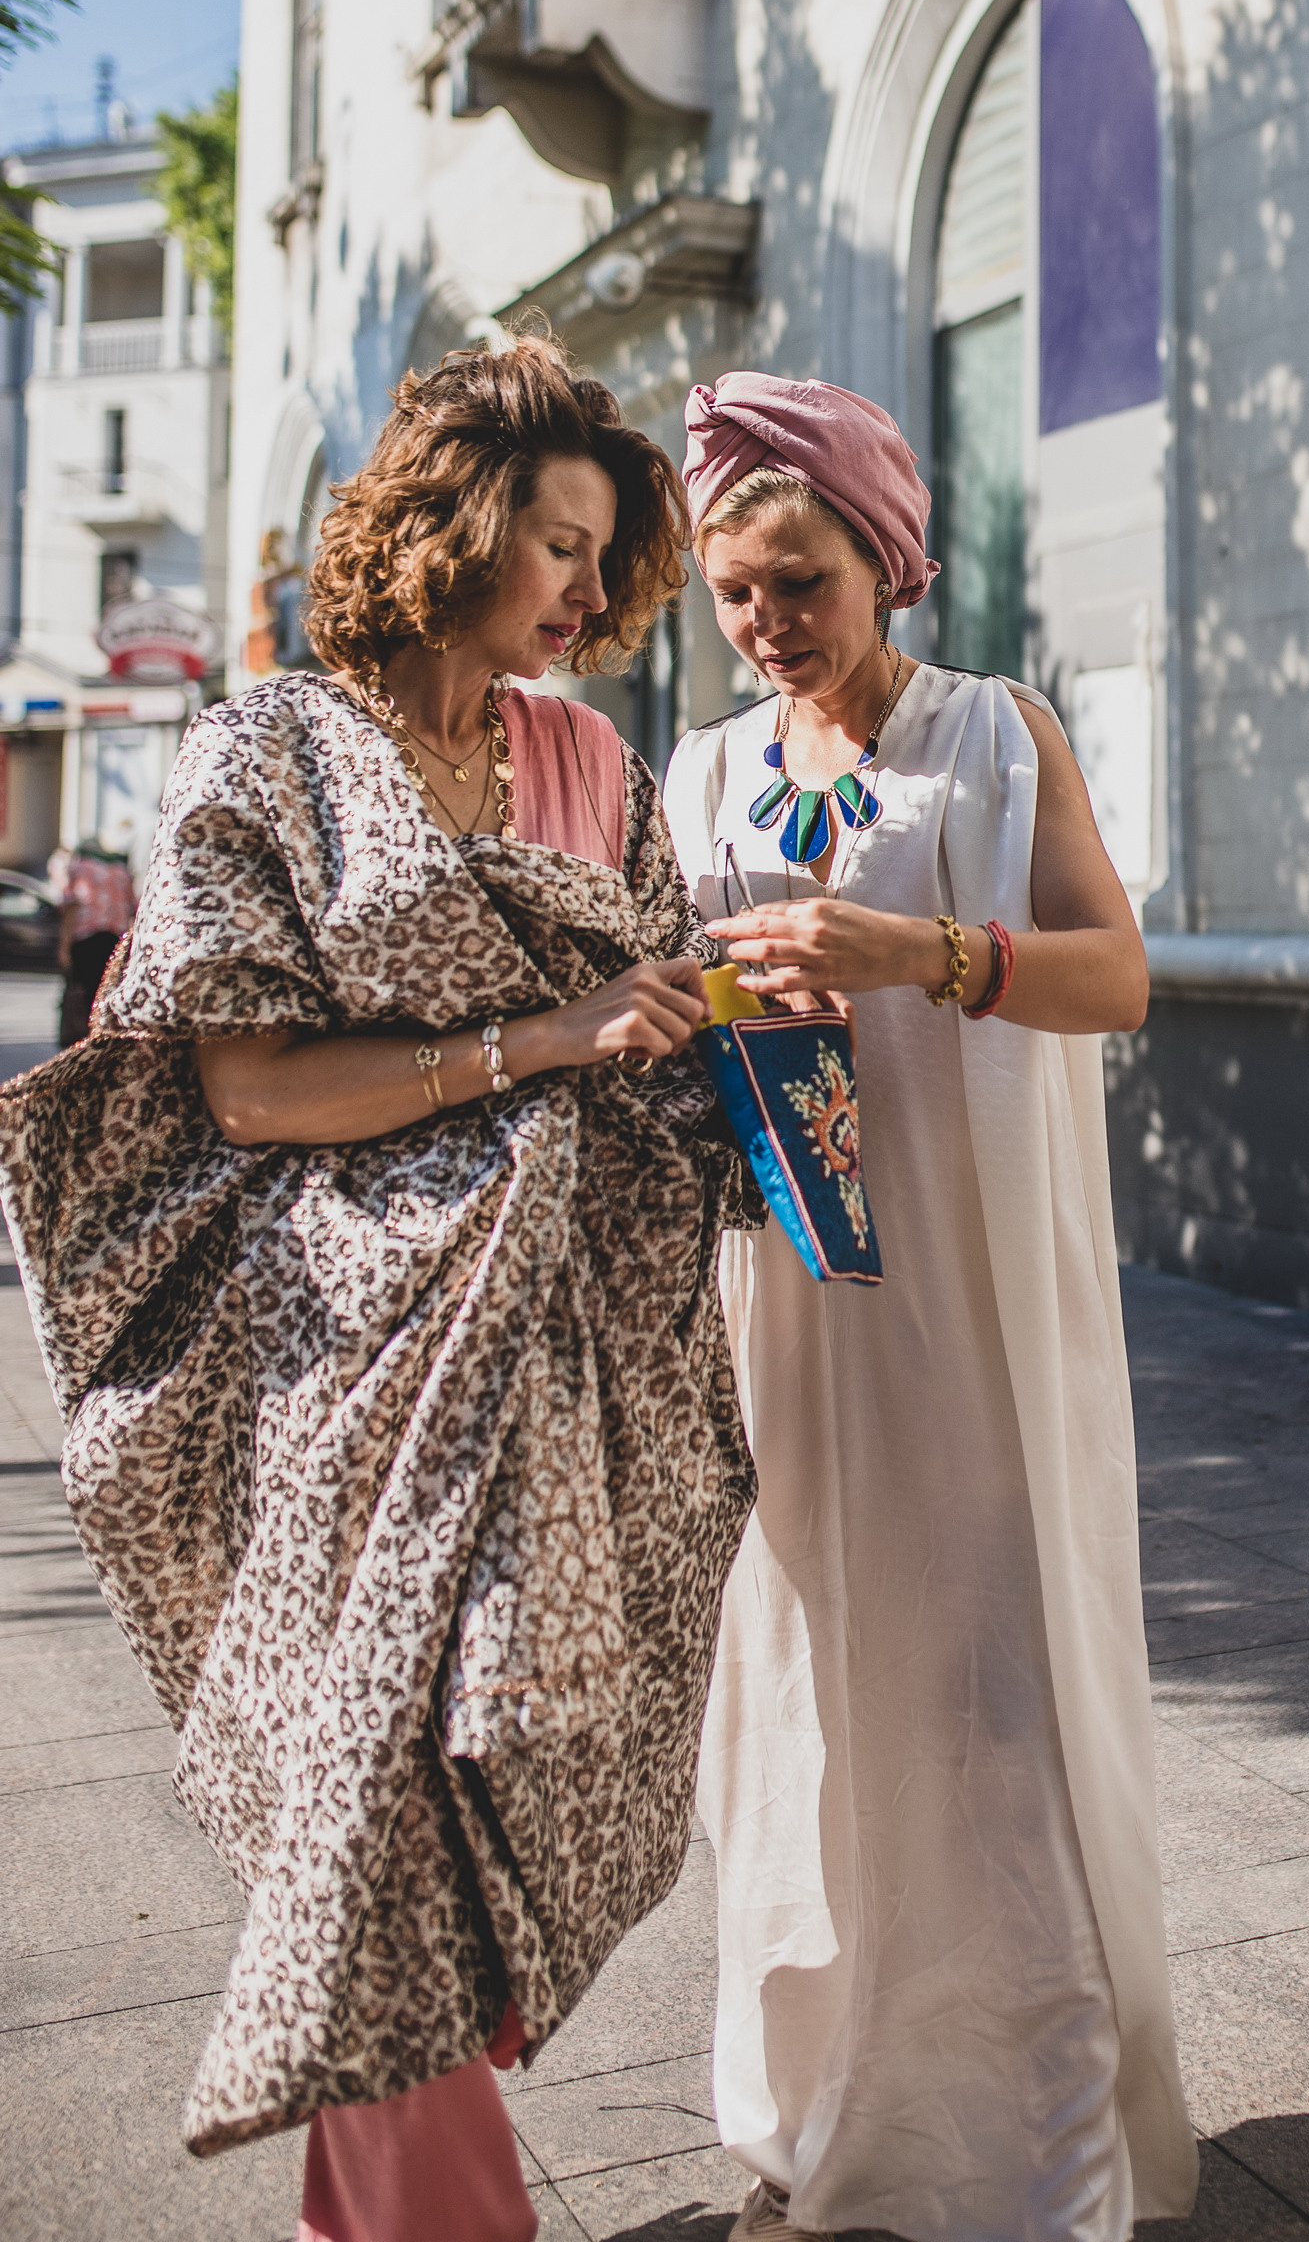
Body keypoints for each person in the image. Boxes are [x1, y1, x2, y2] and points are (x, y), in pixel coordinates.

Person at [0, 338, 755, 2242]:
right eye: (563, 547)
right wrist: (539, 1037)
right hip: (335, 1352)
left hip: (555, 1349)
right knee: (375, 1797)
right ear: (459, 526)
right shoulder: (269, 746)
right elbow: (244, 1086)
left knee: (469, 1780)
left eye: (608, 554)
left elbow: (647, 1021)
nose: (595, 595)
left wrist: (728, 1019)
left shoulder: (583, 758)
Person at [661, 372, 1197, 2242]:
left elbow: (1117, 980)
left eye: (798, 578)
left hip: (967, 1310)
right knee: (802, 1706)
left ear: (886, 556)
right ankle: (813, 2120)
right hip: (788, 1305)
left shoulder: (995, 735)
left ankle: (1023, 2166)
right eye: (734, 591)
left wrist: (925, 955)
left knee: (991, 1705)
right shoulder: (710, 771)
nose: (766, 622)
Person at [55, 834, 136, 1045]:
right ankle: (103, 1033)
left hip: (86, 938)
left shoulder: (79, 869)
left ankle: (85, 1037)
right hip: (114, 939)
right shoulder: (120, 872)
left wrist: (64, 947)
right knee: (108, 989)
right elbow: (132, 908)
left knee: (83, 990)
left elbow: (71, 906)